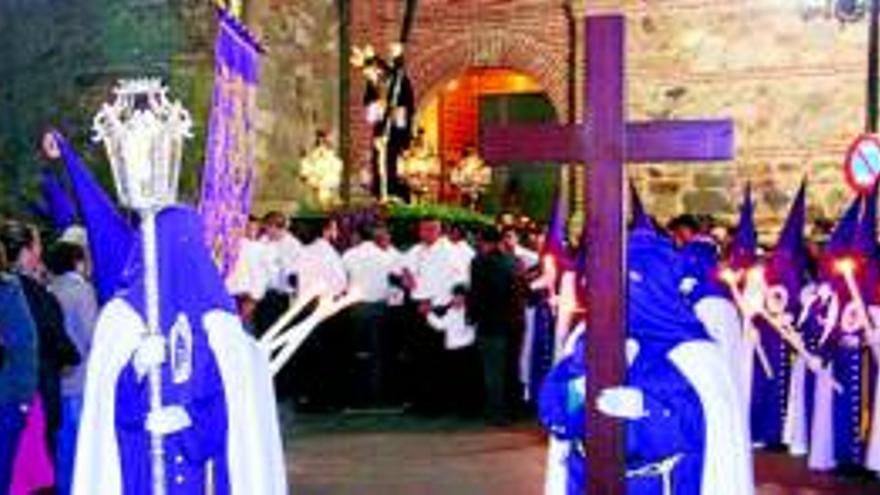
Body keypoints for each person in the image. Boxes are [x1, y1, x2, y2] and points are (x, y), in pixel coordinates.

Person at [73, 205, 287, 495]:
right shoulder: (123, 317)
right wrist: (134, 369)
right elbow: (107, 403)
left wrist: (192, 421)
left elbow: (236, 400)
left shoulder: (219, 321)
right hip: (142, 462)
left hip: (201, 469)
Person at [596, 226, 753, 495]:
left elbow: (704, 426)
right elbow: (559, 410)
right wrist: (574, 394)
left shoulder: (698, 355)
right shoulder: (599, 341)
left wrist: (650, 410)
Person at [0, 221, 78, 455]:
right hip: (30, 395)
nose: (39, 252)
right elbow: (43, 341)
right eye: (37, 246)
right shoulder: (22, 291)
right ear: (25, 253)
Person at [46, 242, 98, 495]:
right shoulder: (83, 290)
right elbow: (93, 336)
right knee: (82, 446)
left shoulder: (50, 289)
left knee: (63, 447)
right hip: (82, 379)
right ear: (78, 261)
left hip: (58, 381)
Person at [469, 226, 525, 423]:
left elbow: (477, 294)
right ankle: (514, 409)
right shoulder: (515, 261)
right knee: (511, 367)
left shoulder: (479, 263)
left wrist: (471, 317)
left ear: (484, 241)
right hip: (515, 323)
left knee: (493, 370)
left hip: (491, 323)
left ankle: (496, 412)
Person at [342, 223, 401, 406]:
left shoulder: (349, 255)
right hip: (380, 308)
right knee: (379, 354)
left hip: (356, 307)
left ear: (359, 237)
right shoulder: (385, 256)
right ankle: (378, 395)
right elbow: (395, 283)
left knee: (357, 352)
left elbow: (342, 280)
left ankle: (358, 396)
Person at [0, 243, 39, 495]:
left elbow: (23, 345)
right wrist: (24, 400)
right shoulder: (8, 289)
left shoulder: (8, 289)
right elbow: (25, 344)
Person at [425, 285, 482, 416]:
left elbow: (468, 327)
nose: (457, 299)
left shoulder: (469, 312)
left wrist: (430, 313)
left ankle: (469, 409)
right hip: (452, 352)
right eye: (455, 296)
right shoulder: (450, 311)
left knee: (466, 382)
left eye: (460, 296)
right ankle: (458, 408)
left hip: (466, 351)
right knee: (455, 382)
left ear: (465, 298)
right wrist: (428, 313)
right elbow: (440, 326)